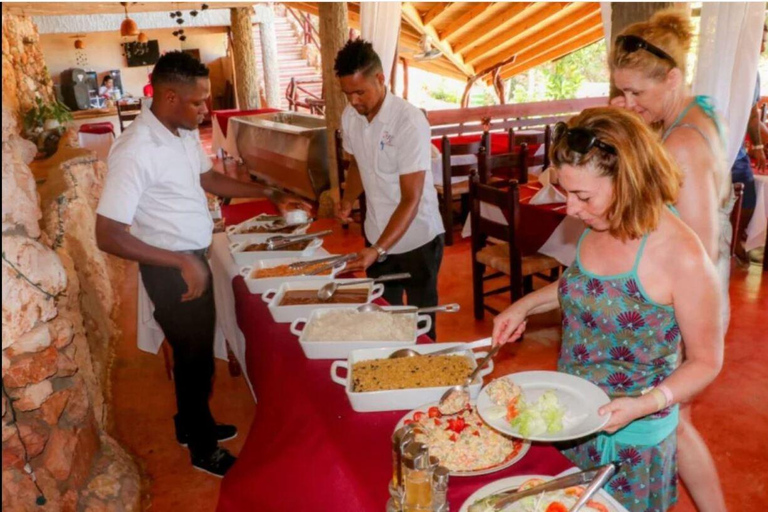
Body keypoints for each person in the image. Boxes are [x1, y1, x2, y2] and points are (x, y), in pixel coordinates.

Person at [493, 108, 723, 512]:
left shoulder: (681, 255)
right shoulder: (600, 221)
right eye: (566, 192)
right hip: (572, 416)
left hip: (632, 437)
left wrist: (644, 404)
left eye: (582, 196)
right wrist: (524, 305)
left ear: (628, 180)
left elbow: (707, 361)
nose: (570, 208)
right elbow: (583, 284)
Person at [95, 51, 309, 477]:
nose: (206, 110)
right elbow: (108, 234)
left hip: (190, 258)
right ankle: (202, 448)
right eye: (198, 103)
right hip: (171, 268)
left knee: (194, 356)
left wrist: (267, 192)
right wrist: (180, 261)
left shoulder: (181, 131)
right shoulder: (136, 150)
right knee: (194, 359)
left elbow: (207, 179)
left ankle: (191, 425)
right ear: (170, 97)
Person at [608, 12, 731, 512]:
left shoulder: (681, 142)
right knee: (679, 420)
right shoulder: (695, 110)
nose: (629, 104)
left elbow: (696, 244)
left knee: (676, 421)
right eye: (621, 93)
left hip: (687, 297)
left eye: (637, 93)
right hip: (696, 288)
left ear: (673, 78)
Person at [333, 39, 445, 339]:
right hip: (376, 234)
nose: (354, 101)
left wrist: (377, 250)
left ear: (381, 79)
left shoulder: (408, 121)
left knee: (421, 323)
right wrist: (347, 199)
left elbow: (412, 197)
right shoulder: (350, 117)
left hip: (417, 238)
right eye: (348, 94)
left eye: (360, 92)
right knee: (385, 320)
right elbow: (358, 164)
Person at [730, 23, 767, 261]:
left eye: (764, 40)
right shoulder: (728, 68)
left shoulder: (753, 73)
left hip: (739, 150)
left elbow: (752, 112)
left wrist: (758, 148)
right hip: (719, 143)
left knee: (748, 197)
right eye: (760, 39)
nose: (763, 45)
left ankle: (735, 241)